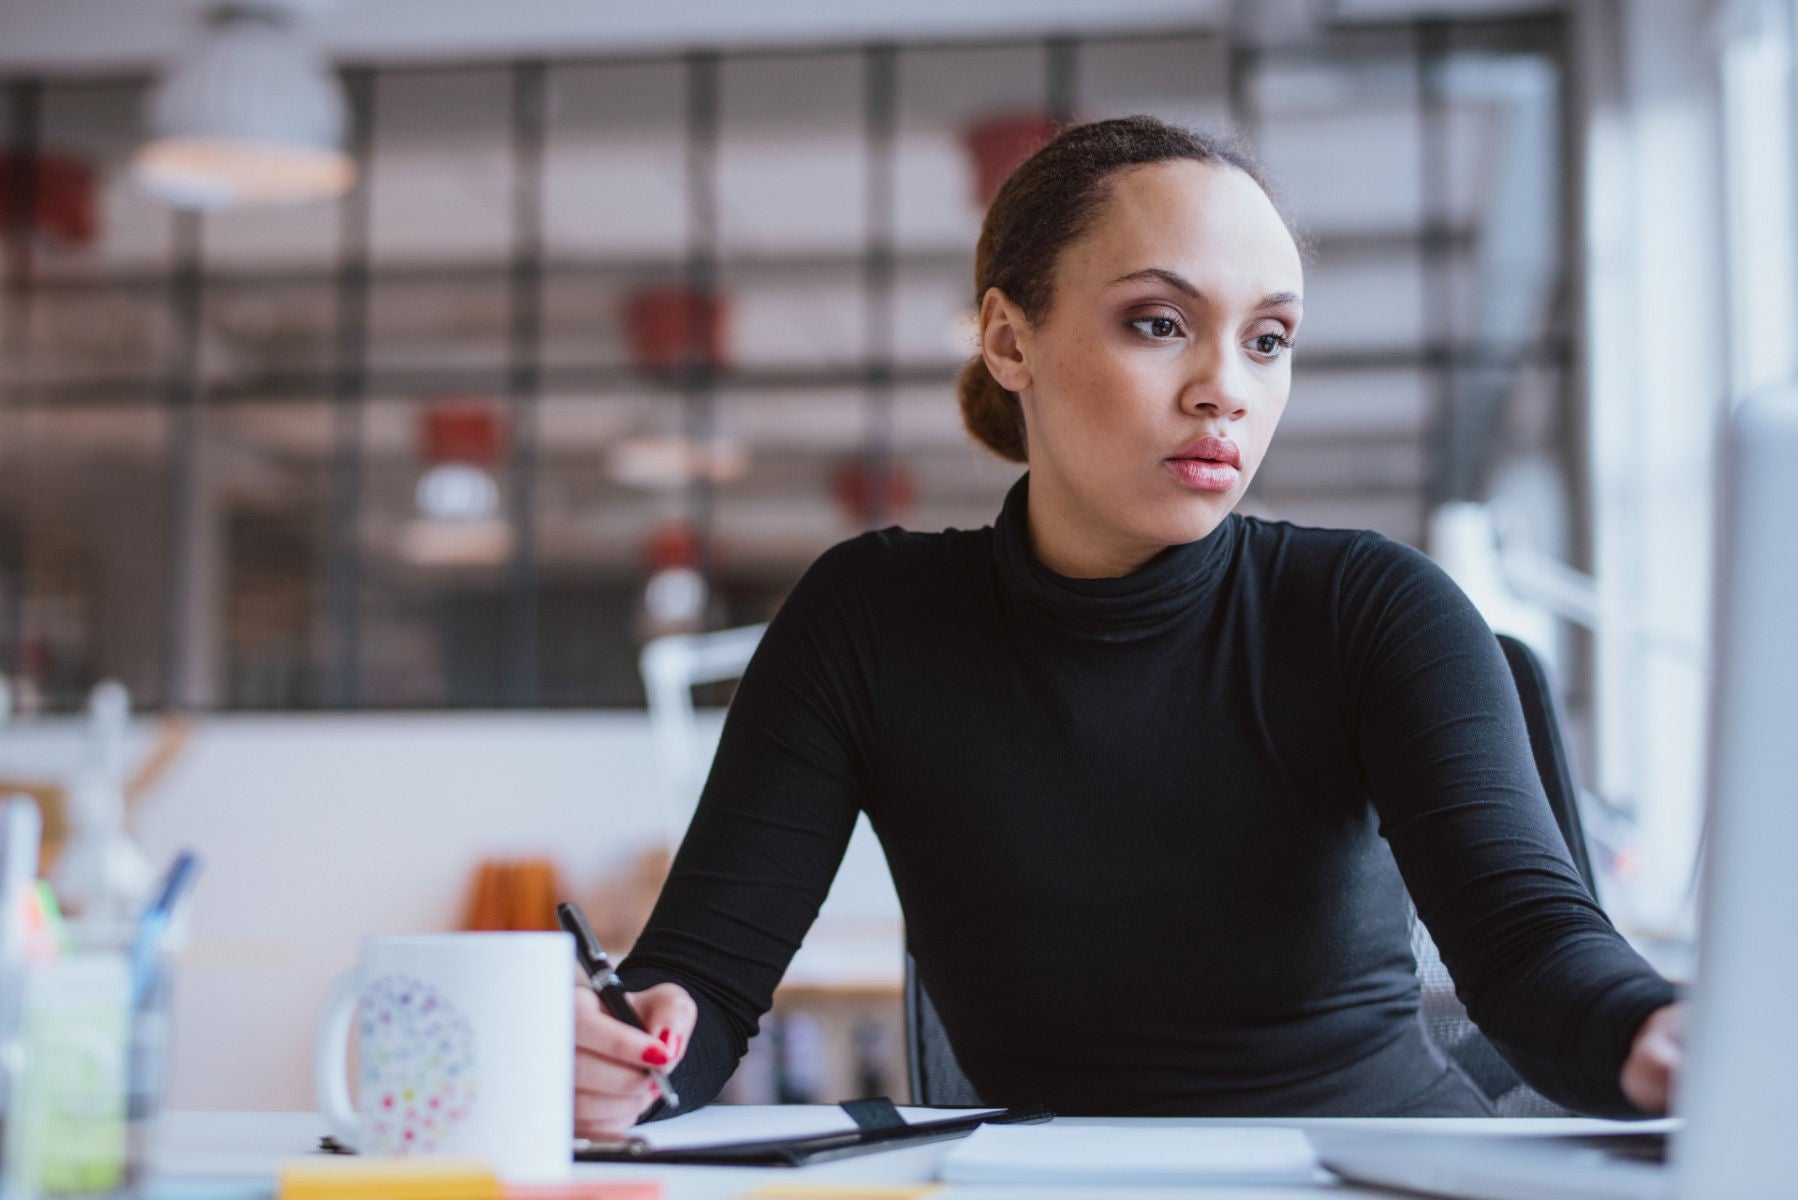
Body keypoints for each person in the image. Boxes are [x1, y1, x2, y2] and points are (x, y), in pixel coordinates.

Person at [572, 115, 1683, 1136]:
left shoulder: (1372, 609)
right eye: (1159, 323)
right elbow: (700, 988)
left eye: (1267, 340)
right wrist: (632, 1050)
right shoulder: (867, 621)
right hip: (1051, 1181)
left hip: (1365, 1168)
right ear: (1010, 342)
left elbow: (1530, 952)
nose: (1224, 390)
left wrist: (1661, 1034)